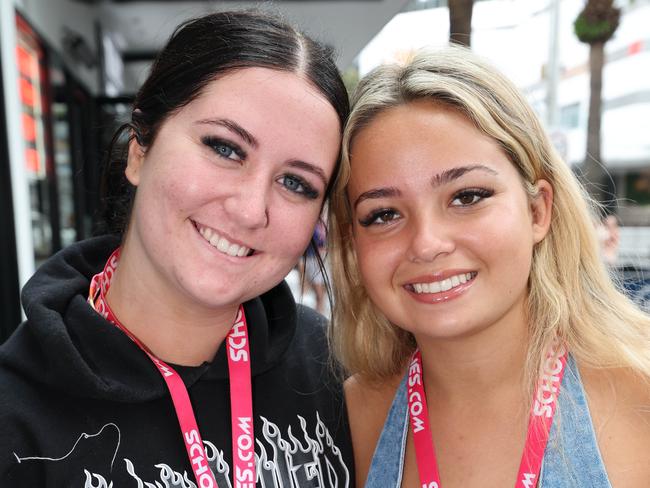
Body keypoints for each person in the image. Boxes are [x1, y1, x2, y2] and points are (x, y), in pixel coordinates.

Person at [0, 10, 354, 487]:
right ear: (140, 150)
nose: (251, 210)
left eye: (296, 182)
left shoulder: (336, 367)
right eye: (225, 148)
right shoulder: (14, 416)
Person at [328, 46, 650, 487]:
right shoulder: (345, 422)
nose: (426, 244)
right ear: (353, 245)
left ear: (538, 211)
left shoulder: (641, 396)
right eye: (383, 214)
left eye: (467, 196)